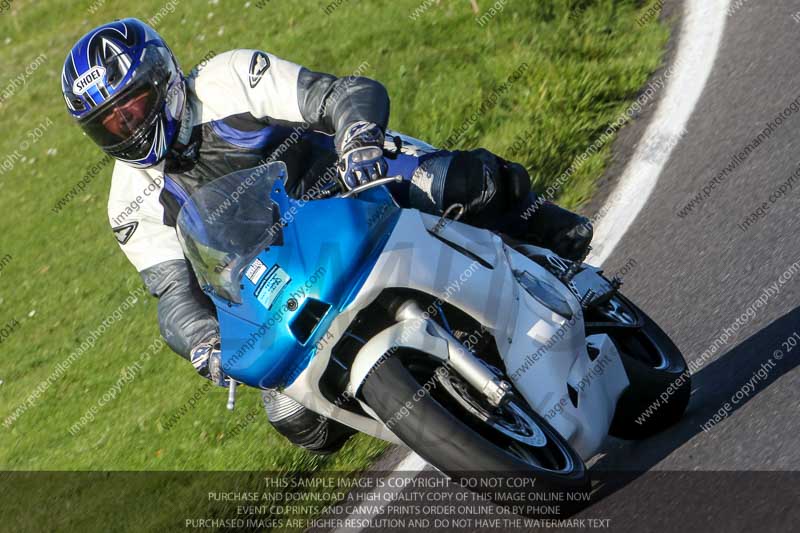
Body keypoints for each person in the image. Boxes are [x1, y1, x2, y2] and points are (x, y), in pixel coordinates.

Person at [61, 18, 592, 453]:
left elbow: (340, 94)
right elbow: (174, 292)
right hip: (283, 277)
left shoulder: (226, 78)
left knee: (459, 184)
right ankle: (431, 416)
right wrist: (204, 344)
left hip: (353, 185)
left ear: (164, 79)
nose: (127, 127)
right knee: (293, 415)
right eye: (108, 123)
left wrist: (358, 137)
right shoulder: (126, 201)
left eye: (131, 104)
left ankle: (551, 241)